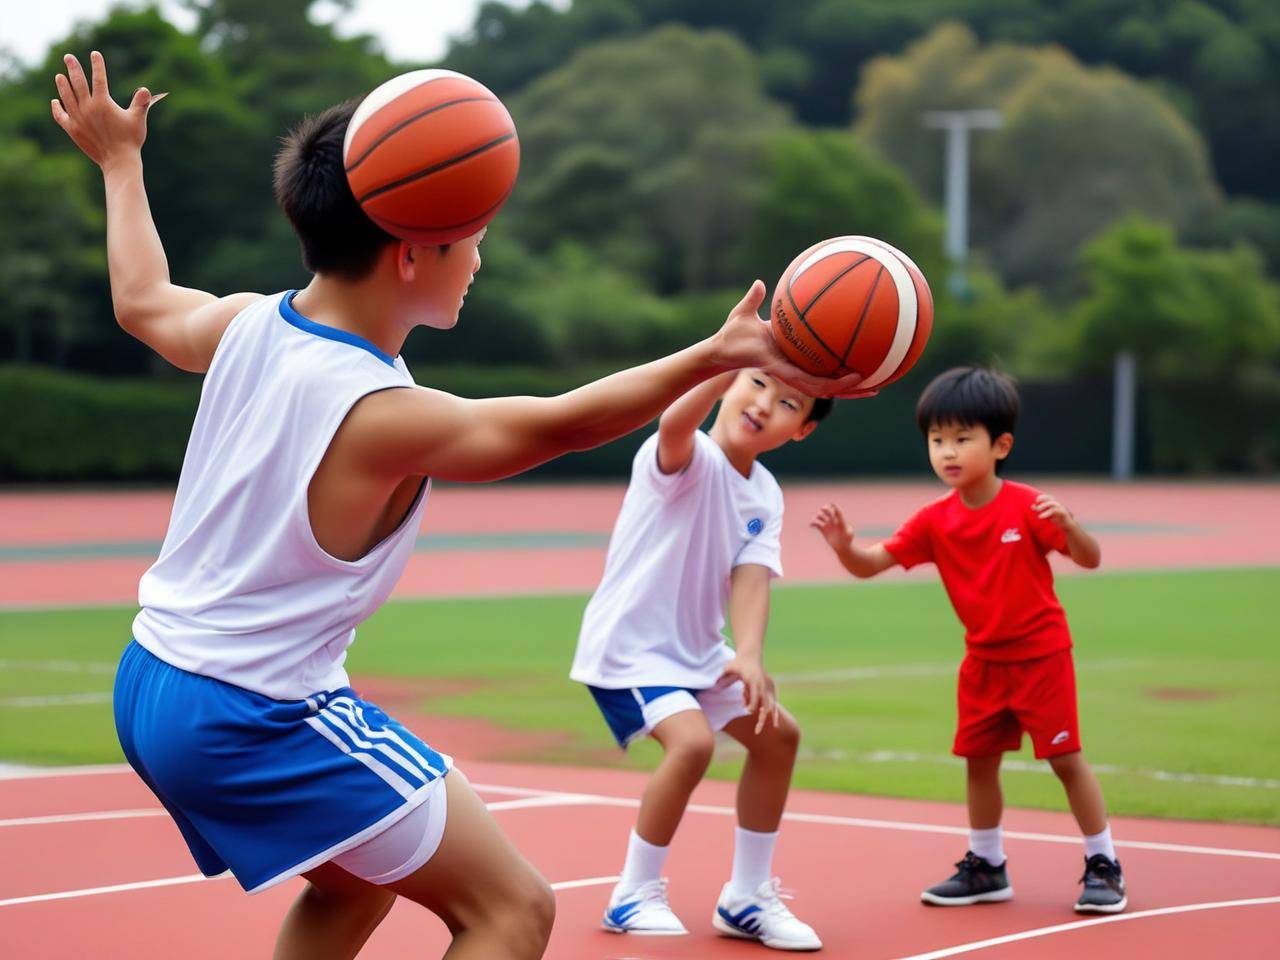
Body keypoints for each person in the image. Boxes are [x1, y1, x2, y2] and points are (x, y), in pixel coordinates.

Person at [51, 52, 865, 960]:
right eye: (472, 236)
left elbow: (142, 300)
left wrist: (121, 162)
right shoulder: (380, 412)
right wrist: (717, 353)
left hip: (152, 675)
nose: (480, 257)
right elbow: (560, 425)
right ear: (412, 252)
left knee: (359, 879)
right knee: (513, 909)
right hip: (253, 710)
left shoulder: (246, 322)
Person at [811, 366, 1127, 915]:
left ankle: (1104, 864)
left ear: (1000, 445)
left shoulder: (1029, 506)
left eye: (962, 438)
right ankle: (986, 866)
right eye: (937, 440)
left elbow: (1090, 558)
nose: (948, 452)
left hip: (1041, 657)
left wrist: (1071, 527)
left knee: (1065, 759)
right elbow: (870, 565)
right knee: (979, 763)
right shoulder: (933, 520)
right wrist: (844, 548)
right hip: (982, 662)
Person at [571, 370, 839, 951]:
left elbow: (751, 576)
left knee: (779, 737)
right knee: (691, 744)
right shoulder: (688, 456)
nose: (764, 403)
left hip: (695, 651)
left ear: (803, 430)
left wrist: (749, 655)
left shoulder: (765, 493)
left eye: (788, 402)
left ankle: (747, 898)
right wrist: (716, 362)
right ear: (728, 382)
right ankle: (632, 894)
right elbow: (674, 422)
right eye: (756, 382)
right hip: (630, 649)